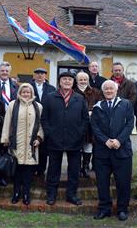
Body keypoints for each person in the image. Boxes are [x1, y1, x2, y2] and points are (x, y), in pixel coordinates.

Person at [41, 72, 89, 206]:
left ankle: (71, 195)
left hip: (75, 140)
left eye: (69, 79)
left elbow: (85, 119)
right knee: (53, 169)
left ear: (73, 82)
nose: (67, 81)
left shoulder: (79, 98)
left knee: (74, 169)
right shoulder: (50, 97)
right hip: (54, 140)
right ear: (59, 82)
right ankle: (51, 195)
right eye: (64, 79)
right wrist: (49, 133)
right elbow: (44, 118)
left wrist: (80, 133)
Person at [91, 80, 134, 221]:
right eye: (106, 89)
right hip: (102, 152)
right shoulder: (97, 107)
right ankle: (104, 209)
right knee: (102, 182)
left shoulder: (126, 104)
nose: (109, 91)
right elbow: (94, 126)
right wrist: (105, 140)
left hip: (122, 151)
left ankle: (122, 209)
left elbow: (129, 124)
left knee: (123, 182)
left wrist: (118, 140)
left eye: (111, 89)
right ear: (103, 92)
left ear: (116, 90)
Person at [1, 83, 44, 205]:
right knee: (17, 170)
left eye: (28, 92)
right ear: (19, 93)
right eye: (23, 92)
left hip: (31, 144)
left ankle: (26, 193)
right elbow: (7, 123)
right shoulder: (13, 105)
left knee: (28, 171)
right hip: (17, 143)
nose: (26, 94)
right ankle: (16, 193)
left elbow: (40, 124)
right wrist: (5, 139)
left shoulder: (38, 106)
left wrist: (39, 138)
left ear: (32, 93)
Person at [74, 72, 101, 178]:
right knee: (76, 146)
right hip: (76, 124)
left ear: (88, 80)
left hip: (90, 124)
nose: (83, 81)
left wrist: (92, 111)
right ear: (77, 81)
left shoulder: (95, 92)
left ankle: (85, 167)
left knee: (88, 145)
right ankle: (75, 168)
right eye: (80, 79)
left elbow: (100, 105)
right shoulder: (72, 92)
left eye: (85, 79)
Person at [30, 67, 56, 179]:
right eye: (38, 73)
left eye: (42, 74)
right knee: (32, 144)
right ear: (34, 75)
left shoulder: (51, 88)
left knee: (44, 147)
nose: (40, 75)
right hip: (31, 119)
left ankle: (41, 170)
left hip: (47, 120)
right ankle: (31, 170)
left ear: (45, 76)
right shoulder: (29, 87)